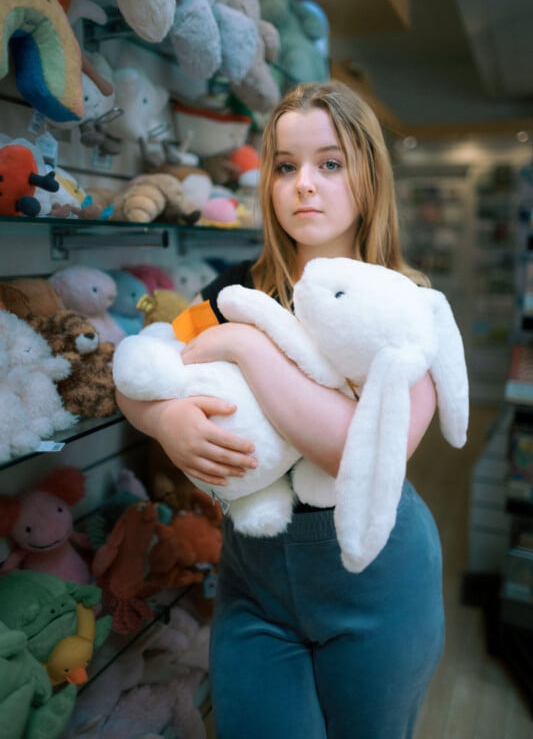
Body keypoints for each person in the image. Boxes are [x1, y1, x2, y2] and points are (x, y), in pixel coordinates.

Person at [116, 80, 447, 739]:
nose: (304, 184)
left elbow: (362, 451)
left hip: (380, 587)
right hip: (254, 581)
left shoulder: (408, 303)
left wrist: (243, 342)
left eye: (330, 163)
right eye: (286, 166)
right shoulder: (234, 287)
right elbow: (141, 367)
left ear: (368, 177)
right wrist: (160, 420)